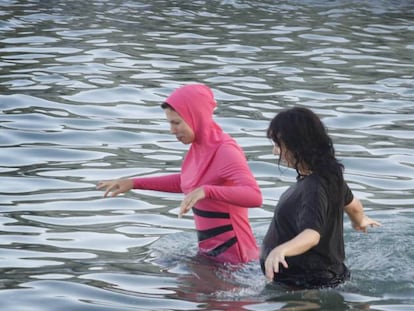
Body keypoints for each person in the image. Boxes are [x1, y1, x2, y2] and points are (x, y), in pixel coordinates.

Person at [97, 83, 262, 265]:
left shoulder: (225, 151)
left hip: (237, 260)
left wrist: (207, 191)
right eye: (170, 123)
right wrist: (134, 182)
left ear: (195, 117)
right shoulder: (199, 148)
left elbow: (254, 196)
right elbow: (187, 182)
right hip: (211, 255)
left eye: (176, 123)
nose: (172, 130)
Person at [261, 107, 381, 289]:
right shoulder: (330, 175)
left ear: (297, 146)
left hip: (306, 283)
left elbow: (311, 235)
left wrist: (280, 250)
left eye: (279, 145)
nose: (275, 152)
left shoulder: (314, 187)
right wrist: (360, 220)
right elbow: (354, 206)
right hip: (321, 276)